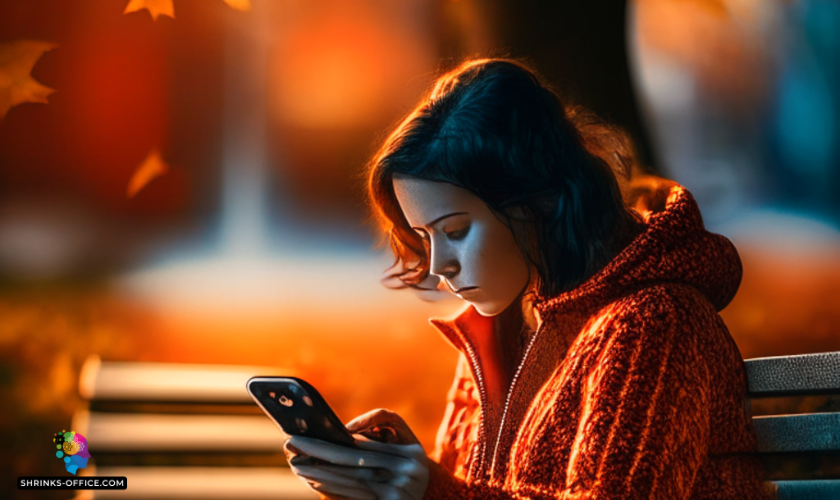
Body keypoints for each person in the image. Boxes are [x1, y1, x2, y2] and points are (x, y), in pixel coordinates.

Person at [283, 59, 770, 500]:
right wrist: (393, 486)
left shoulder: (655, 323)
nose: (438, 267)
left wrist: (435, 494)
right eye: (424, 237)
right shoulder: (496, 330)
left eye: (454, 230)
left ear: (536, 204)